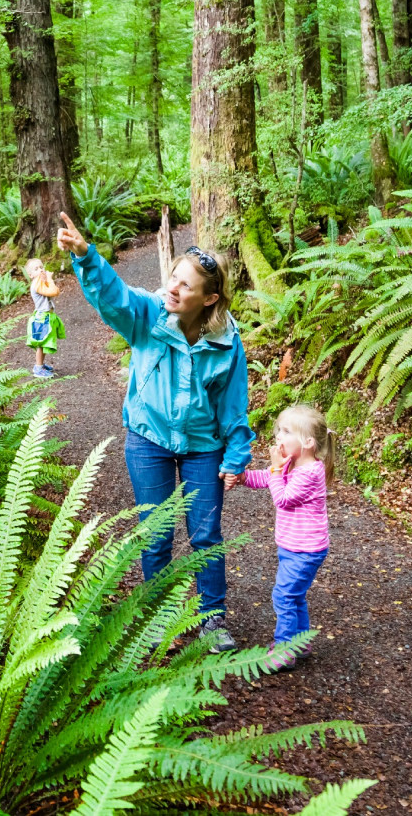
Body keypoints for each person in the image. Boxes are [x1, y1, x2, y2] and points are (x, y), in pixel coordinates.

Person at [55, 212, 253, 653]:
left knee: (205, 534)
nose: (173, 289)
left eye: (186, 286)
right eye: (173, 278)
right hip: (148, 438)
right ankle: (158, 615)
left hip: (204, 445)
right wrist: (87, 256)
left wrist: (236, 453)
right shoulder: (148, 314)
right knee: (156, 529)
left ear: (210, 298)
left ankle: (212, 618)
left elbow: (233, 402)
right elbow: (115, 298)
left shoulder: (226, 341)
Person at [241, 404, 334, 672]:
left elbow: (281, 498)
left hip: (306, 550)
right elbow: (269, 477)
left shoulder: (310, 473)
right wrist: (244, 476)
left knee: (283, 596)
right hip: (294, 546)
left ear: (307, 442)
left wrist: (272, 470)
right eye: (278, 430)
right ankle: (300, 642)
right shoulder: (293, 464)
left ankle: (284, 651)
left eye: (285, 431)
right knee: (295, 596)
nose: (278, 437)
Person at [24, 258, 64, 378]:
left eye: (41, 267)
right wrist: (50, 280)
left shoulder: (40, 282)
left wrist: (46, 280)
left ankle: (41, 364)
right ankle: (38, 368)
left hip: (46, 317)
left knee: (44, 342)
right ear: (31, 275)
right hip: (42, 319)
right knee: (41, 344)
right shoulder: (36, 284)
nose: (41, 270)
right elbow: (54, 291)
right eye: (36, 269)